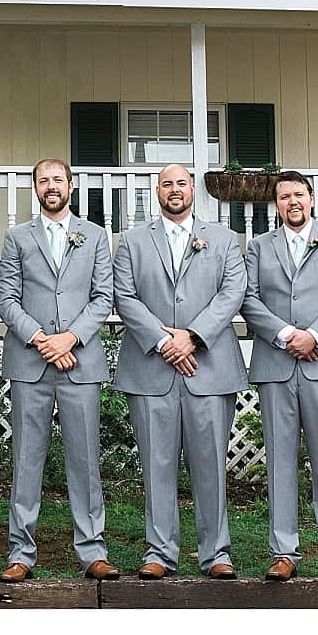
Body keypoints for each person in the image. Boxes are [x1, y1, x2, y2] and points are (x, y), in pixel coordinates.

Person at [113, 163, 247, 578]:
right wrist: (163, 341)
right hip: (151, 368)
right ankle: (159, 553)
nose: (175, 190)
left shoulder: (224, 240)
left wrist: (192, 336)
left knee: (210, 465)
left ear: (193, 190)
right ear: (157, 191)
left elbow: (233, 292)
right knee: (157, 465)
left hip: (210, 367)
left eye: (182, 183)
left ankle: (217, 554)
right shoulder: (132, 241)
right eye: (167, 184)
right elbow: (125, 296)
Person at [0, 158, 119, 582]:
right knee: (26, 458)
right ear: (35, 188)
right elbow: (6, 298)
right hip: (31, 362)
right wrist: (42, 339)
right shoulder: (17, 237)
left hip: (79, 362)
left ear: (70, 185)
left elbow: (104, 297)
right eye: (43, 181)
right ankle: (21, 551)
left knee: (84, 460)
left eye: (57, 180)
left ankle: (92, 550)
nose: (51, 186)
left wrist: (70, 338)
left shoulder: (96, 236)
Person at [242, 170, 318, 581]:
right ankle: (284, 552)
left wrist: (314, 335)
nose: (291, 201)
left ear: (311, 198)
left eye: (298, 194)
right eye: (283, 196)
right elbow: (249, 299)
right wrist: (285, 335)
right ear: (275, 204)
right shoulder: (258, 247)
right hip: (276, 365)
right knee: (279, 458)